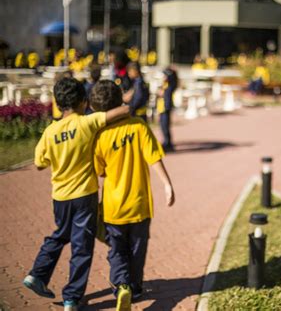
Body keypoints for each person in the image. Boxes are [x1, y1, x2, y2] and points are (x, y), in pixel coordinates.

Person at [23, 78, 129, 311]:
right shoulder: (86, 123)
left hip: (60, 197)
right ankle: (71, 297)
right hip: (84, 196)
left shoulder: (50, 132)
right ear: (83, 102)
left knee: (60, 234)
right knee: (81, 247)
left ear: (58, 104)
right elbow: (122, 111)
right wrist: (126, 101)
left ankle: (37, 274)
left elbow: (40, 163)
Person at [90, 80, 175, 310]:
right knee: (138, 249)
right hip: (140, 204)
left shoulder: (99, 136)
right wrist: (167, 184)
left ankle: (121, 286)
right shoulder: (139, 126)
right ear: (121, 101)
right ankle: (136, 287)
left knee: (117, 250)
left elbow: (98, 171)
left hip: (113, 207)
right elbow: (154, 157)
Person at [158, 67, 178, 152]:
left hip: (166, 108)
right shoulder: (165, 84)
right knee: (162, 125)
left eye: (165, 75)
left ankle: (168, 143)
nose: (163, 77)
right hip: (161, 107)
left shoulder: (170, 85)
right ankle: (166, 142)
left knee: (165, 125)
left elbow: (166, 95)